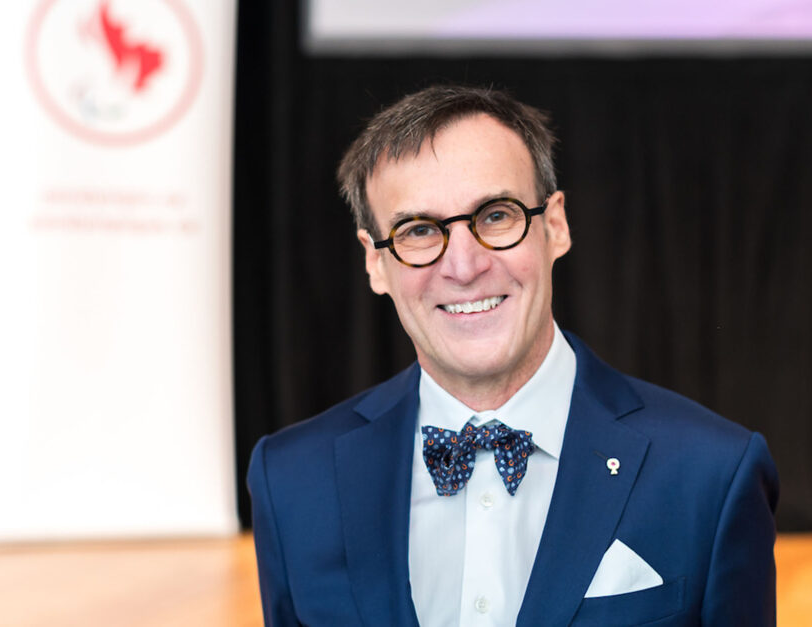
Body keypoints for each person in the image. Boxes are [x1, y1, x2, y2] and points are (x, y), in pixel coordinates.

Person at [248, 85, 779, 626]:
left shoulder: (712, 473)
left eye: (496, 216)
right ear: (376, 263)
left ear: (555, 226)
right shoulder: (290, 481)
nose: (464, 267)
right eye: (419, 230)